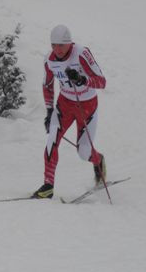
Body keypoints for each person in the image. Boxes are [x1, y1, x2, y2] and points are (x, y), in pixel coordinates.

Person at [32, 25, 107, 199]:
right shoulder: (49, 60)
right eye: (53, 45)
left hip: (86, 105)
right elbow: (47, 85)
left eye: (61, 45)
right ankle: (48, 185)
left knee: (83, 152)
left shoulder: (81, 54)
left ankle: (98, 160)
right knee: (52, 139)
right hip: (64, 105)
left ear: (69, 43)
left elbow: (102, 82)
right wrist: (49, 110)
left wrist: (82, 79)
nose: (57, 50)